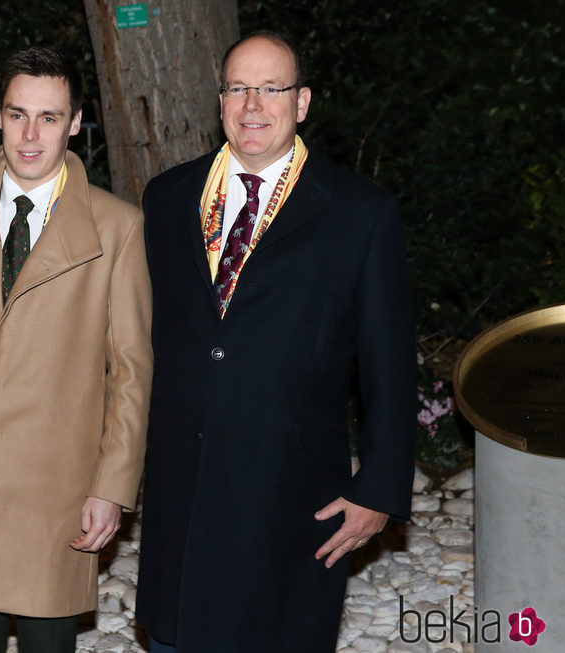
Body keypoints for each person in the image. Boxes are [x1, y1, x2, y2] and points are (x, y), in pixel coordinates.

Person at [135, 31, 416, 652]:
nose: (253, 104)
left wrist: (379, 486)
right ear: (220, 102)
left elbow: (389, 366)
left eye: (271, 88)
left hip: (289, 492)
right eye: (238, 87)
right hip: (184, 483)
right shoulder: (167, 199)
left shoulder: (359, 213)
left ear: (303, 102)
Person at [0, 47, 152, 653]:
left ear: (76, 123)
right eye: (17, 114)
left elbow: (131, 368)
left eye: (49, 118)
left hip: (60, 482)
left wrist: (113, 485)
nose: (30, 134)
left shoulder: (116, 226)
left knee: (50, 641)